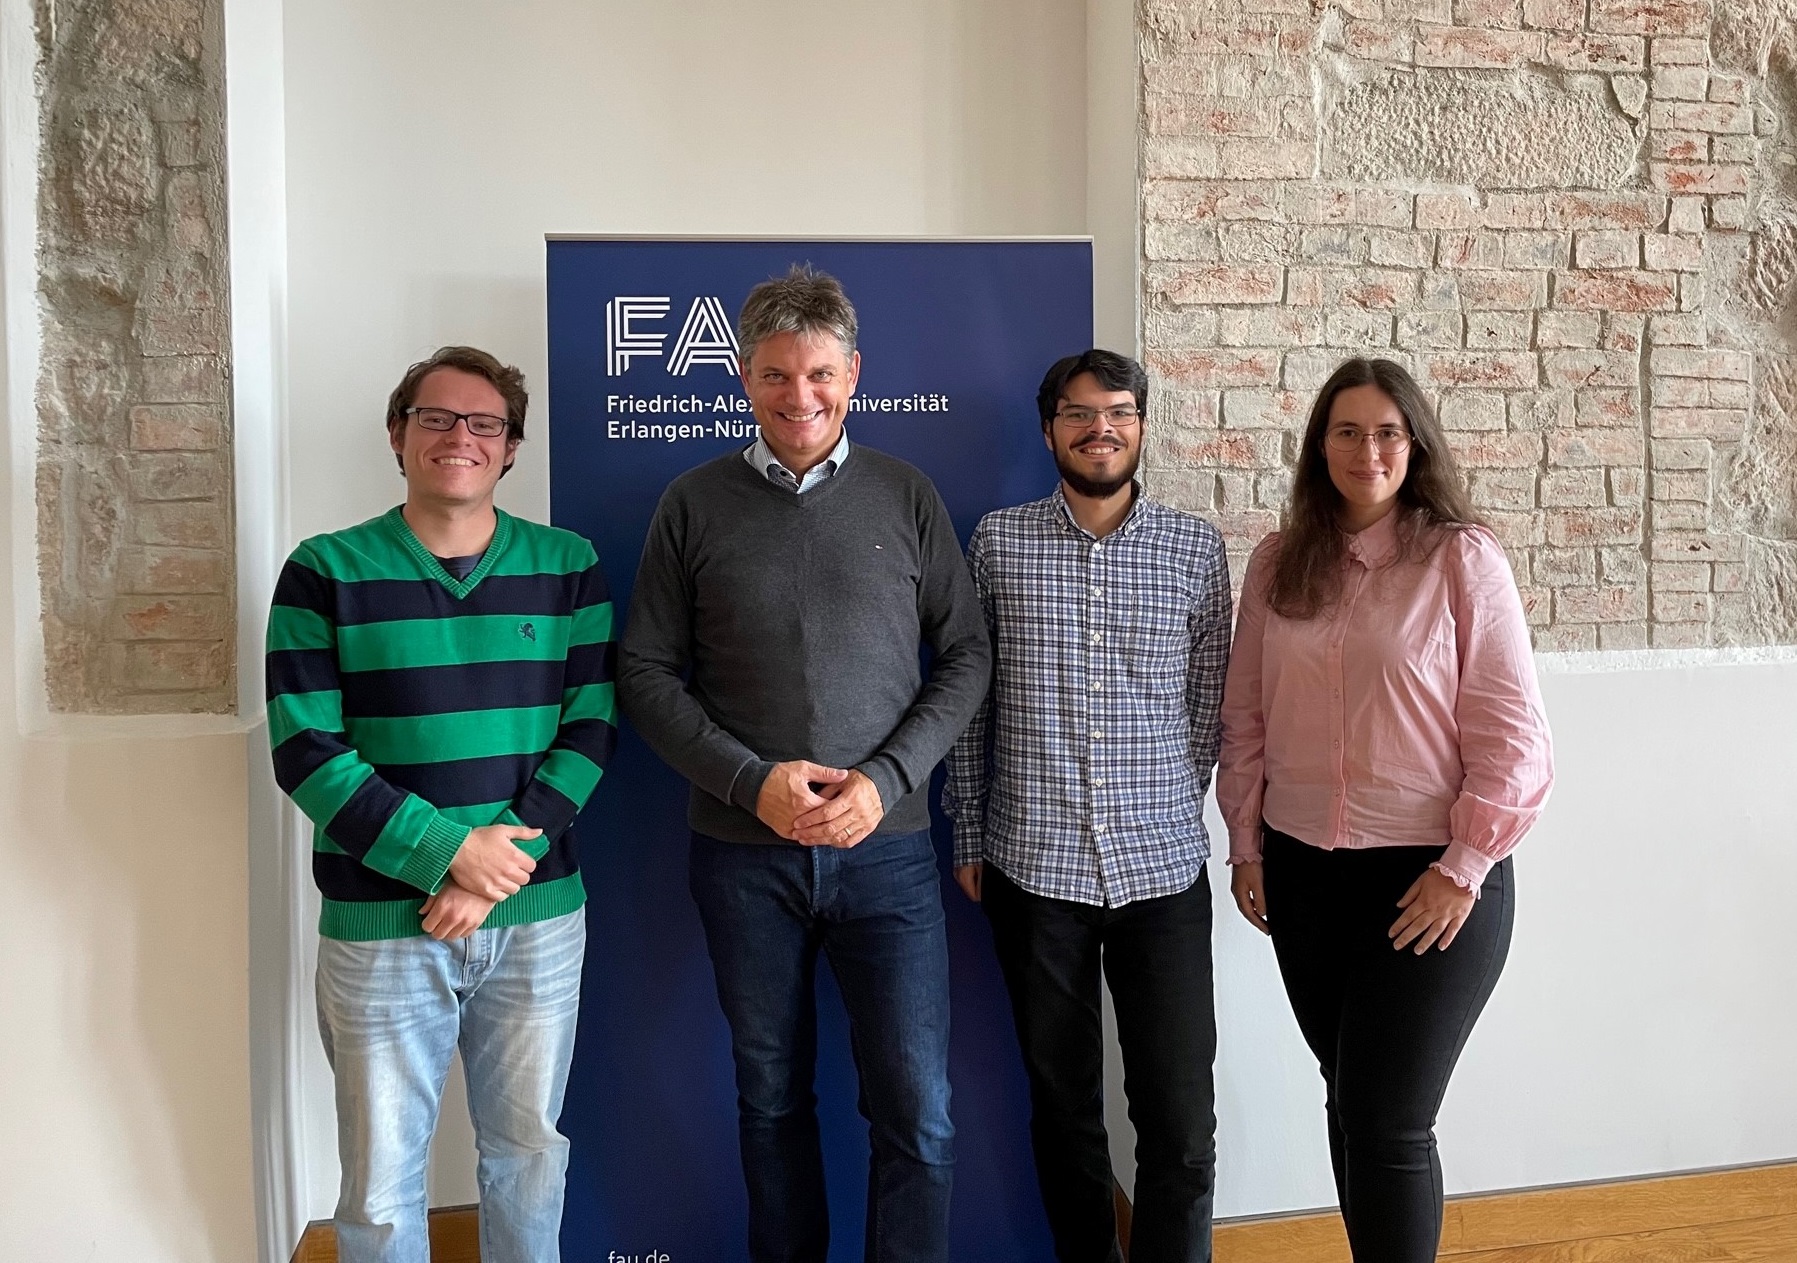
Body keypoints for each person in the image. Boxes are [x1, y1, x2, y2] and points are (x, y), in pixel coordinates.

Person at [616, 265, 991, 1263]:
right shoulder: (692, 503)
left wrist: (885, 780)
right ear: (744, 376)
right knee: (771, 1101)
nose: (800, 396)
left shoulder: (907, 495)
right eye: (777, 374)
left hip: (890, 855)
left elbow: (966, 656)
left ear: (853, 374)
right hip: (744, 857)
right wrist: (752, 782)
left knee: (918, 1109)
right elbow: (643, 672)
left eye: (820, 373)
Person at [266, 346, 616, 1263]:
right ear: (398, 434)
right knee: (380, 1184)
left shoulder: (568, 565)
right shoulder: (323, 569)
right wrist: (448, 856)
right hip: (380, 925)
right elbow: (305, 750)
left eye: (483, 422)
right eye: (436, 417)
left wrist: (494, 866)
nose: (460, 435)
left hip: (536, 918)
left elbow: (590, 727)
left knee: (528, 1155)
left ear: (510, 448)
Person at [1218, 356, 1553, 1263]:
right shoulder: (1276, 563)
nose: (1366, 450)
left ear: (1414, 444)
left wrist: (1463, 868)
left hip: (1428, 880)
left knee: (1388, 1119)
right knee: (1349, 1098)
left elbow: (1514, 738)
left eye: (1386, 432)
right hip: (1301, 875)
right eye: (1346, 431)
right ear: (1318, 446)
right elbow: (1245, 717)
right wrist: (1245, 845)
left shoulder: (1459, 558)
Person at [943, 349, 1231, 1263]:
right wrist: (969, 826)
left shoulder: (1194, 547)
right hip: (1034, 868)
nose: (1098, 427)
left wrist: (1164, 802)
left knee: (1179, 1116)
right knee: (1063, 1106)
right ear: (1048, 430)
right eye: (1077, 412)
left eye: (1118, 412)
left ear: (1141, 426)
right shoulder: (996, 542)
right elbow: (971, 699)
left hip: (1162, 871)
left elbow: (1207, 702)